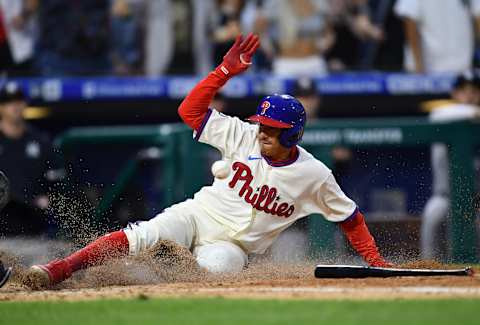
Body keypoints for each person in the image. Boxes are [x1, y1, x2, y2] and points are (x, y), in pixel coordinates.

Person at [24, 34, 390, 289]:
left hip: (234, 247)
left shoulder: (313, 174)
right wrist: (224, 73)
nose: (262, 132)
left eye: (272, 130)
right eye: (261, 125)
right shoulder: (243, 135)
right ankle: (58, 270)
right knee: (142, 235)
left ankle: (173, 268)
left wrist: (376, 261)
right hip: (199, 214)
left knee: (218, 269)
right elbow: (189, 110)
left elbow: (350, 217)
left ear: (292, 135)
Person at [421, 72, 480, 260]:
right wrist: (474, 112)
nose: (470, 96)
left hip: (477, 199)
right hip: (445, 196)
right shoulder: (445, 114)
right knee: (431, 217)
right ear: (455, 93)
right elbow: (438, 114)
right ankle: (429, 270)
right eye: (464, 91)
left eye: (475, 91)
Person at [0, 81, 61, 236]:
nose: (14, 106)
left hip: (33, 226)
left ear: (25, 104)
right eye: (8, 102)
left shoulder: (40, 140)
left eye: (18, 101)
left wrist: (49, 198)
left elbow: (57, 181)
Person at [394, 0, 480, 74]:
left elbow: (478, 16)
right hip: (427, 68)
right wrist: (418, 65)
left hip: (463, 66)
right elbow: (410, 19)